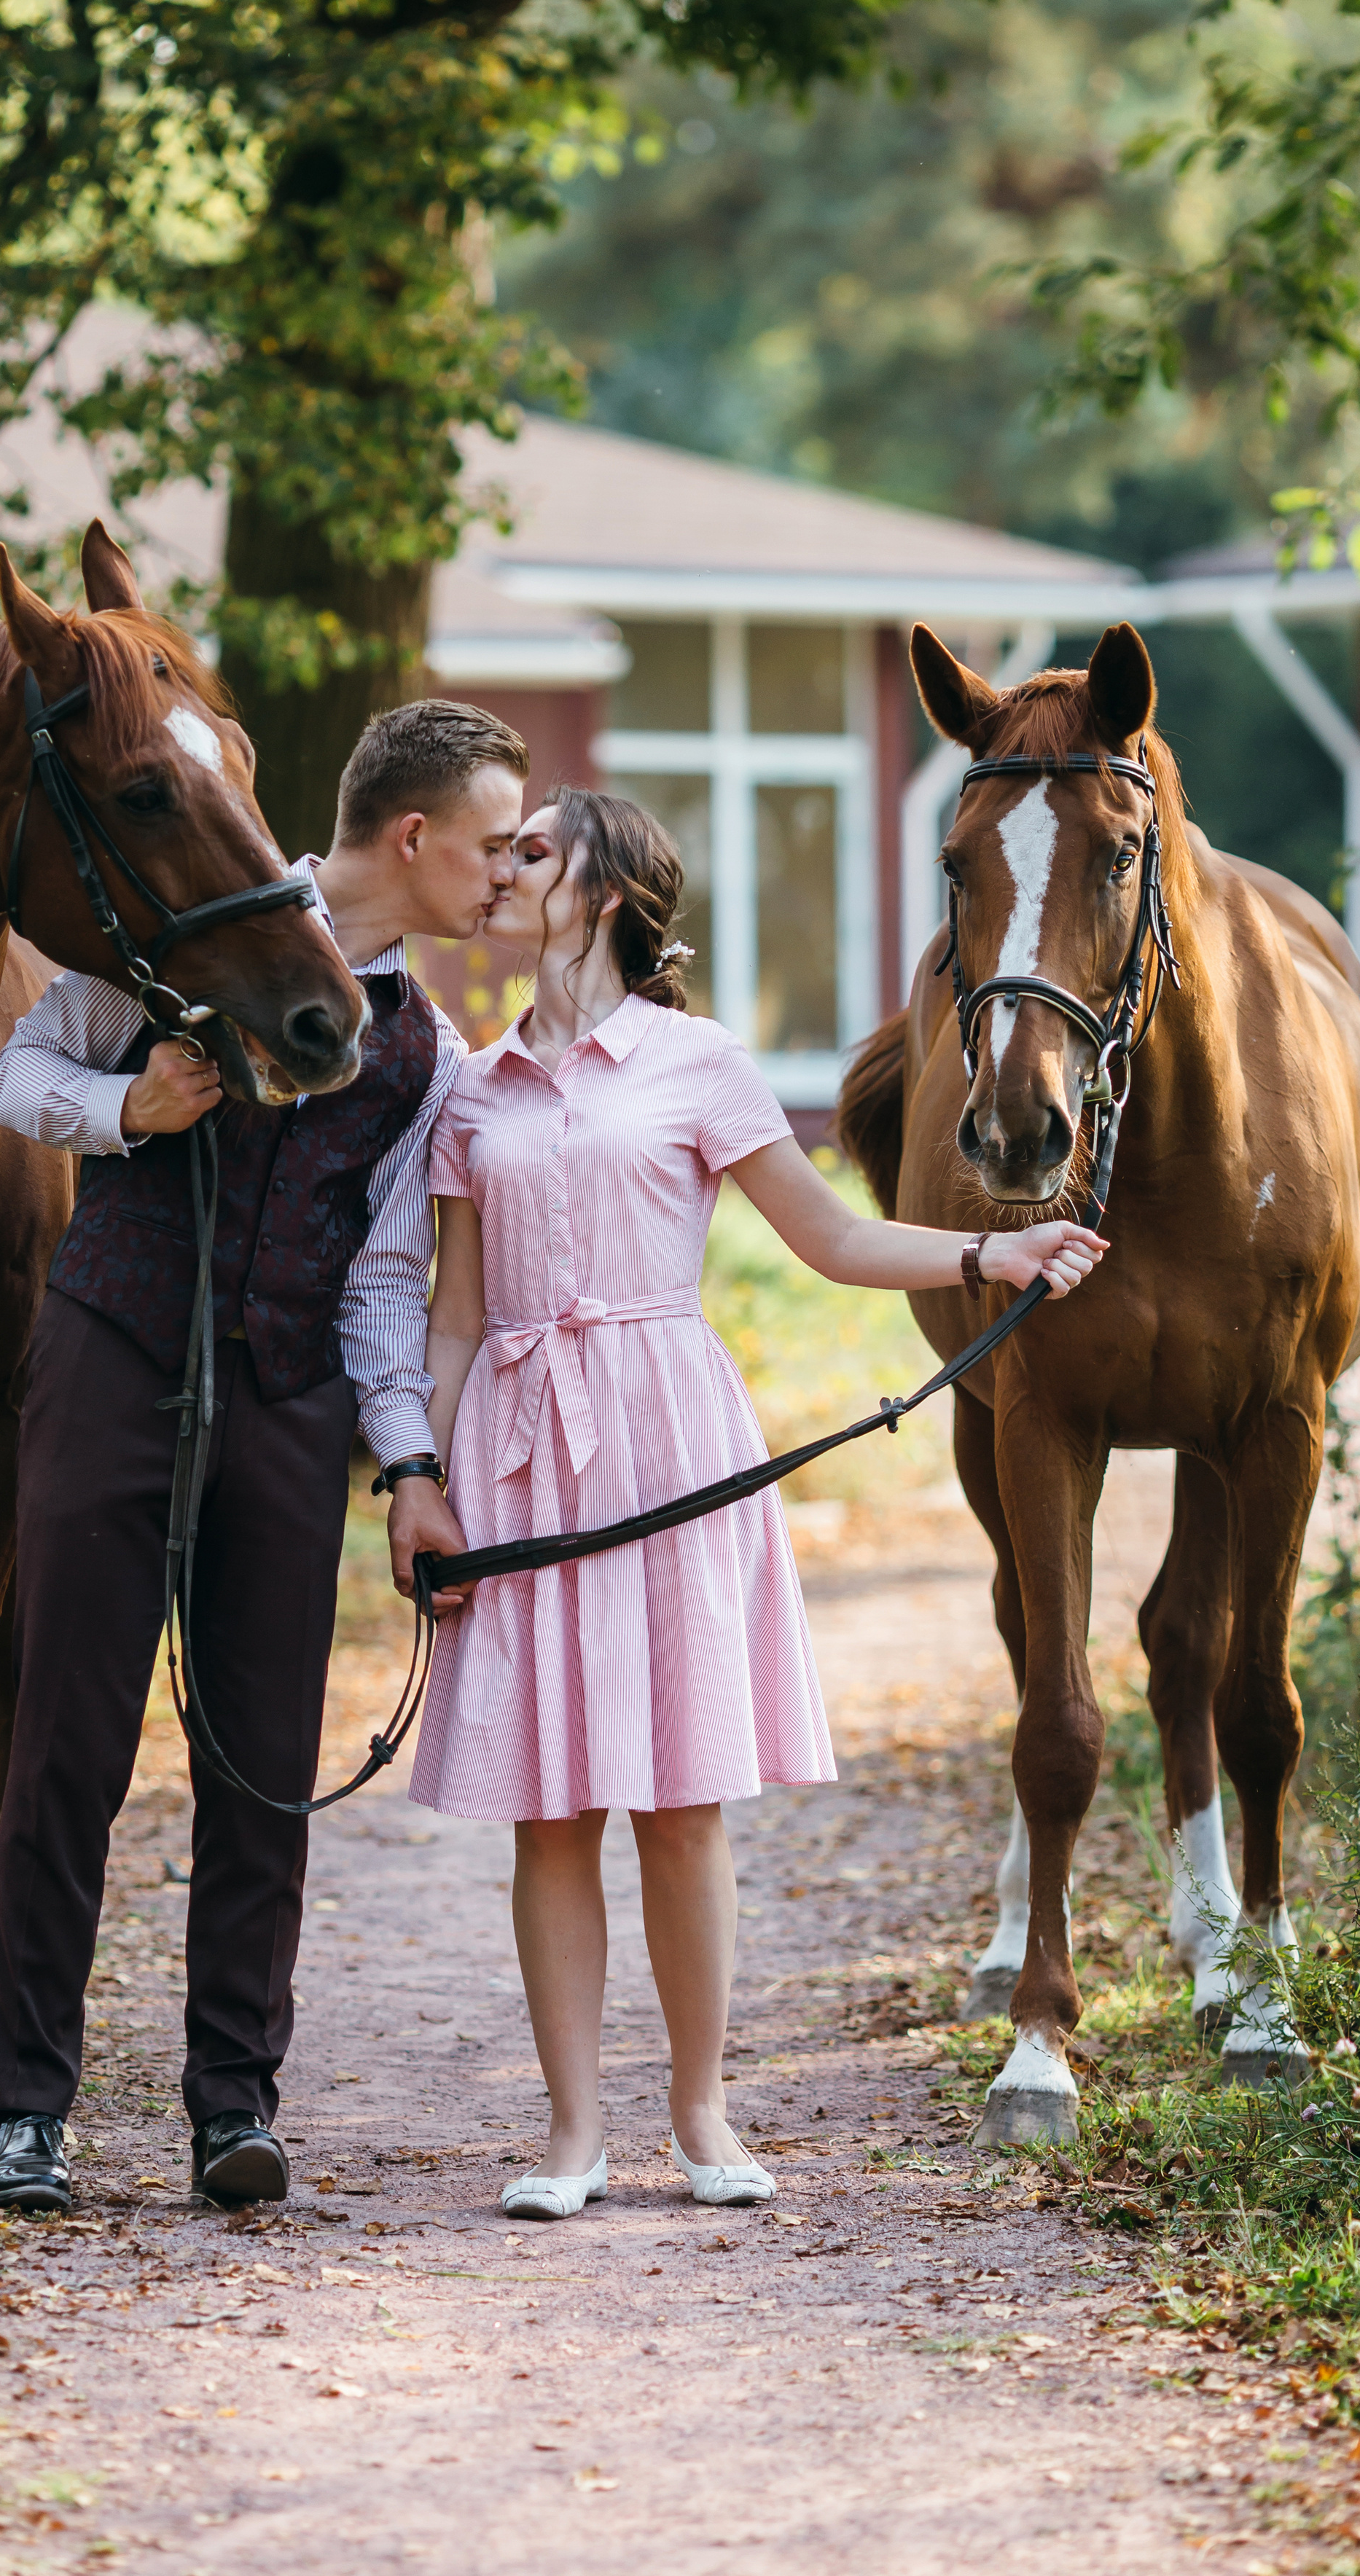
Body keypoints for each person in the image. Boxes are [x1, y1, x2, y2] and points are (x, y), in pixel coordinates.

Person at [402, 786, 1106, 2219]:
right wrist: (420, 1478)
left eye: (532, 848)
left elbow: (831, 1235)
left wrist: (995, 1256)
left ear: (602, 890)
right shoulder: (468, 1090)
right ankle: (568, 2134)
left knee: (677, 1800)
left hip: (667, 1434)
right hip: (521, 1443)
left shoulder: (697, 1063)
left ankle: (700, 2111)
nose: (504, 865)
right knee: (550, 1809)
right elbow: (456, 1318)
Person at [0, 696, 528, 2215]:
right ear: (410, 838)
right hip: (114, 1359)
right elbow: (14, 1080)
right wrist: (126, 1106)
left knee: (263, 1767)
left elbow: (379, 1279)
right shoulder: (174, 928)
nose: (505, 875)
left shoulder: (425, 1051)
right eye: (489, 846)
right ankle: (27, 2110)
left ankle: (234, 2105)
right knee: (66, 1746)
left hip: (290, 1401)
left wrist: (407, 1464)